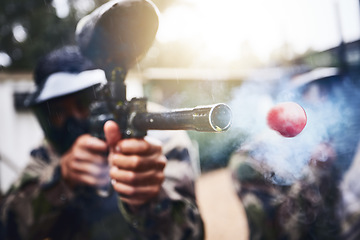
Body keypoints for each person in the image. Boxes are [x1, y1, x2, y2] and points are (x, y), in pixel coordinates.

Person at [0, 45, 204, 240]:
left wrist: (149, 198)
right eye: (59, 111)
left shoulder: (156, 138)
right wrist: (61, 181)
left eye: (85, 103)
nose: (75, 118)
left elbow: (193, 233)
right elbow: (7, 227)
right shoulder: (49, 153)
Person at [228, 68, 360, 240]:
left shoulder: (326, 142)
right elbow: (280, 233)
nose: (324, 99)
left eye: (325, 90)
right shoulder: (251, 158)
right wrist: (314, 172)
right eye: (313, 91)